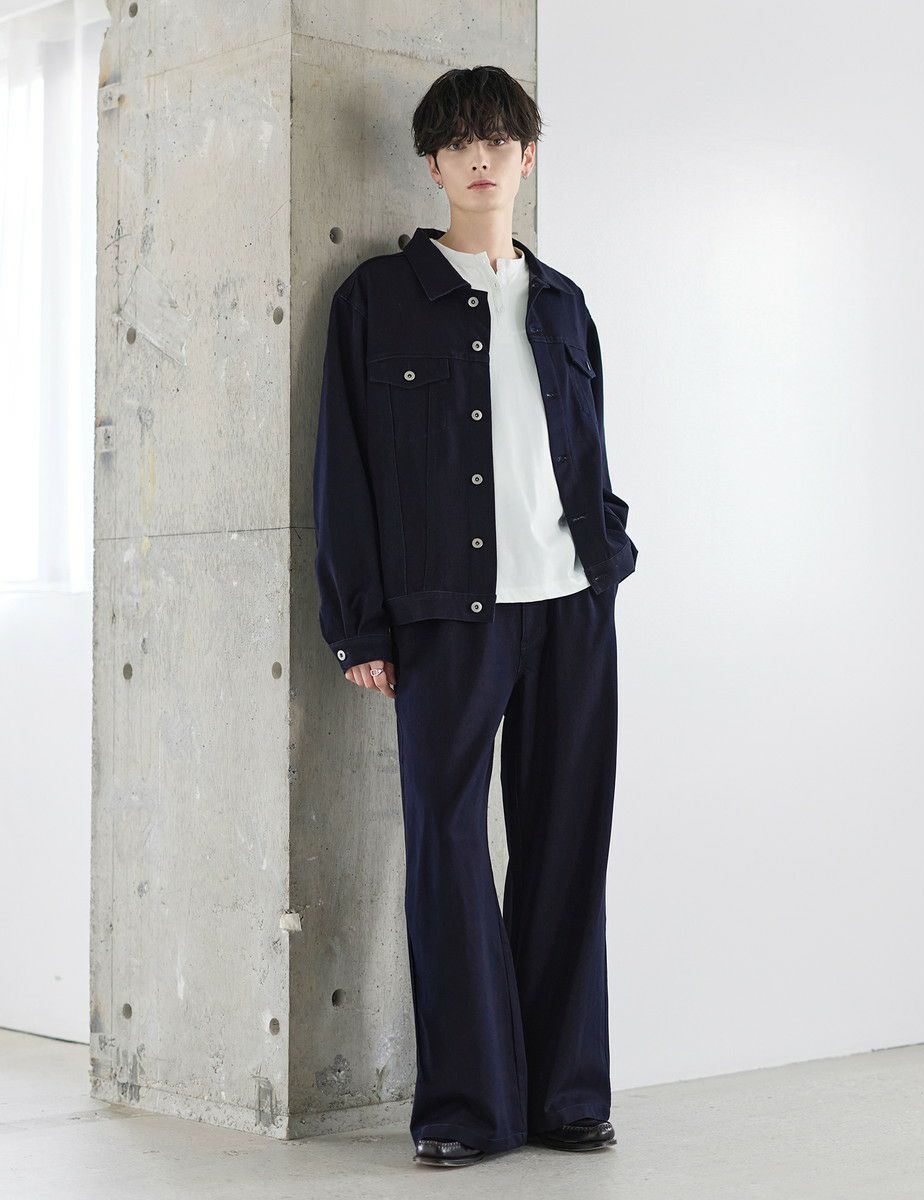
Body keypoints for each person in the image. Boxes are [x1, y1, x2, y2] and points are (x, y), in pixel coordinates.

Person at [312, 64, 638, 1168]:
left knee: (566, 846)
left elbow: (587, 448)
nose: (482, 159)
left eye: (500, 140)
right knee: (447, 851)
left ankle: (566, 1097)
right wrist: (359, 625)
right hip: (448, 617)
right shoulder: (378, 299)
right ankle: (468, 1108)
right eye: (460, 144)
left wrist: (608, 548)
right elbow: (343, 471)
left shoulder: (562, 302)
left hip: (571, 608)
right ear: (434, 164)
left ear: (527, 157)